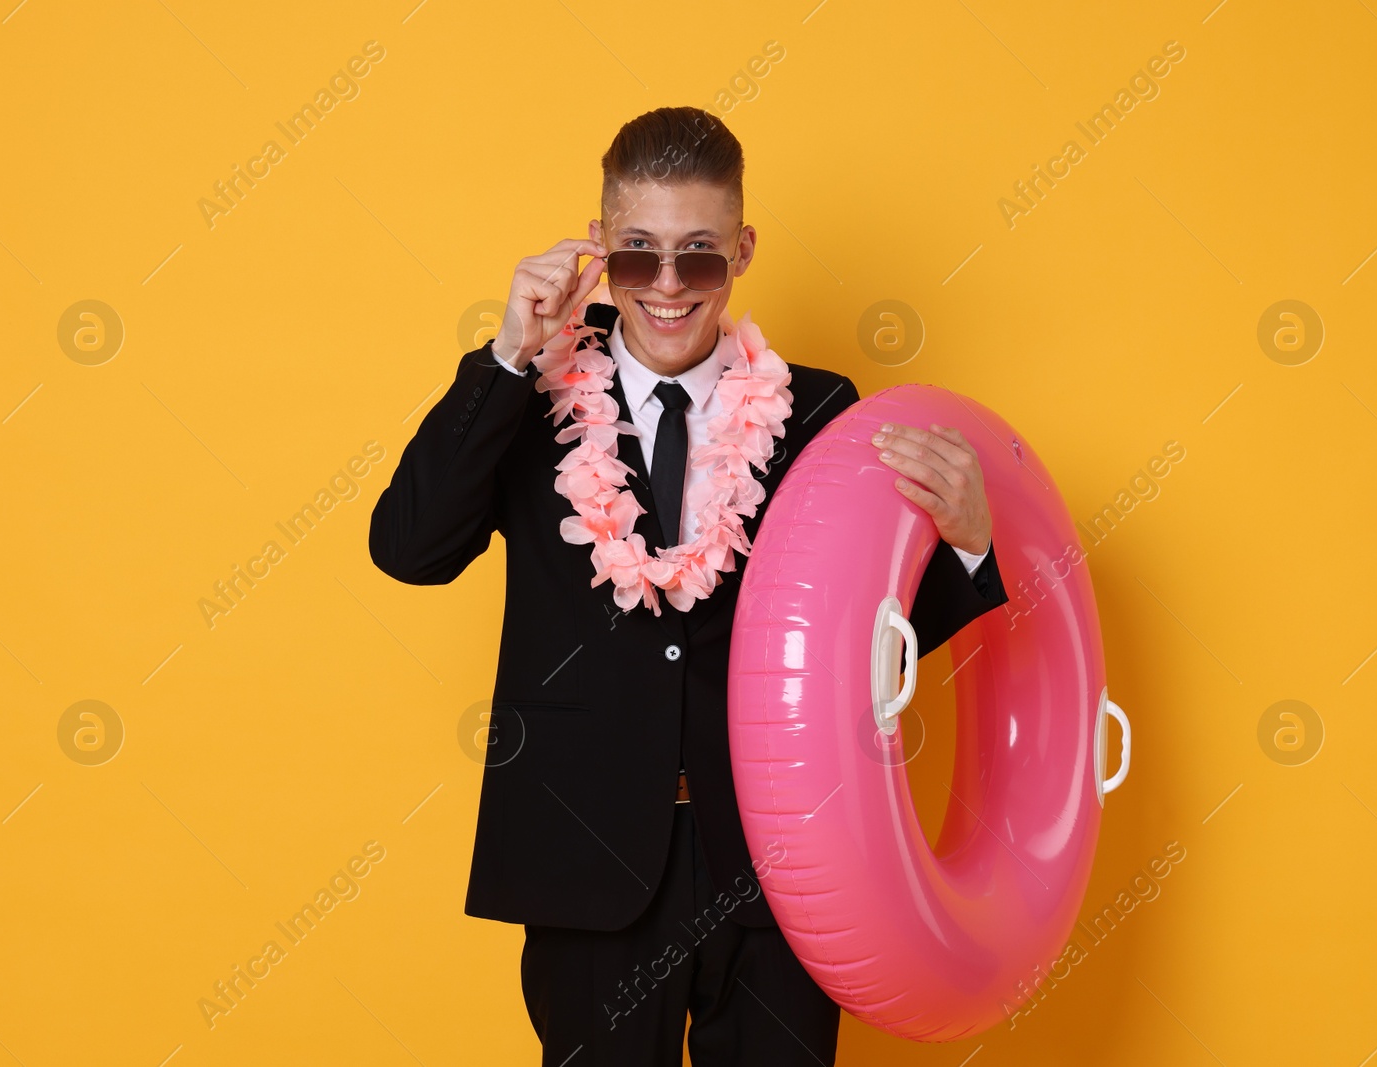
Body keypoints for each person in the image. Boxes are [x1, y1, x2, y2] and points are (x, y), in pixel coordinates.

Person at [368, 105, 1008, 1066]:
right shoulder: (530, 398)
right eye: (638, 255)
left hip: (781, 863)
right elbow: (409, 546)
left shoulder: (821, 414)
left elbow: (884, 640)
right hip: (587, 860)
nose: (668, 288)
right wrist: (506, 354)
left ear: (742, 251)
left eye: (699, 256)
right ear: (600, 249)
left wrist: (968, 544)